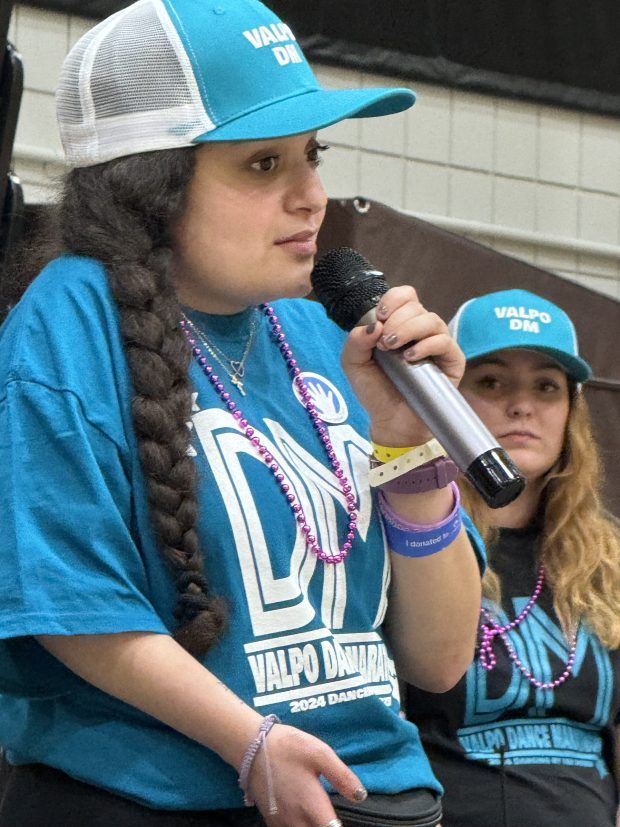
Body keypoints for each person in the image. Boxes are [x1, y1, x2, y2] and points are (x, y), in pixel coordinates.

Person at [0, 1, 485, 825]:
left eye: (313, 155)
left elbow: (438, 660)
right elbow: (71, 606)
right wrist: (249, 740)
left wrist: (408, 448)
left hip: (372, 792)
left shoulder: (322, 326)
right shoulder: (69, 320)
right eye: (264, 165)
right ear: (149, 190)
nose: (313, 197)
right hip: (163, 795)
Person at [405, 288, 620, 827]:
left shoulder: (607, 564)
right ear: (447, 398)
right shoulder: (406, 541)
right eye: (491, 381)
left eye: (546, 386)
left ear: (572, 412)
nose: (522, 404)